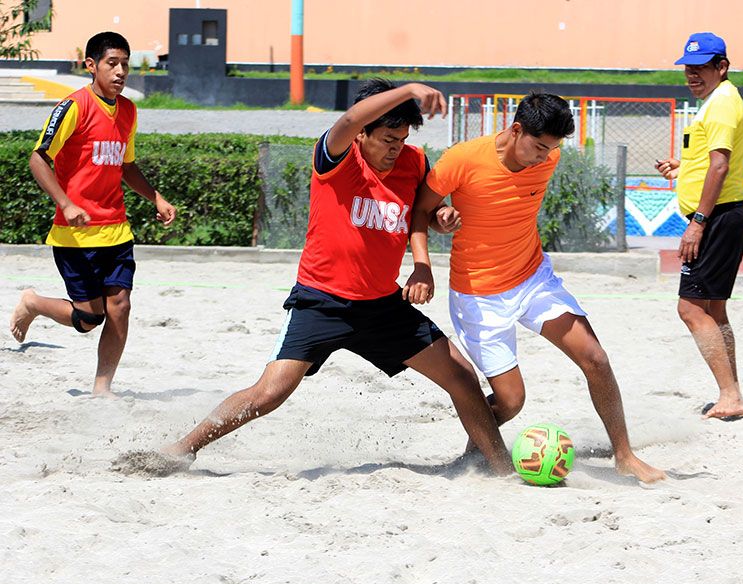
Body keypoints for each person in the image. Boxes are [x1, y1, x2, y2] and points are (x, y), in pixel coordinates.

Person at [159, 79, 512, 475]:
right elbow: (349, 117)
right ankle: (182, 449)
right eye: (388, 139)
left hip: (382, 307)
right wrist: (410, 88)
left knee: (462, 378)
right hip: (322, 301)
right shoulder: (337, 157)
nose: (396, 148)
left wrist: (439, 221)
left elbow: (421, 213)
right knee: (269, 393)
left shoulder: (413, 162)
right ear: (363, 133)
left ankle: (501, 470)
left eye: (403, 138)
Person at [406, 92, 666, 483]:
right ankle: (478, 451)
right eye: (540, 146)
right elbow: (421, 210)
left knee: (595, 357)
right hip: (478, 293)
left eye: (553, 148)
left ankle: (624, 455)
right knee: (511, 402)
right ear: (516, 129)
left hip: (533, 278)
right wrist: (424, 262)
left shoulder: (548, 157)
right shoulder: (461, 159)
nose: (546, 157)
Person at [9, 32, 177, 398]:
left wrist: (156, 197)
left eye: (125, 65)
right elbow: (38, 158)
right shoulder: (73, 107)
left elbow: (127, 166)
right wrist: (66, 204)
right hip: (74, 236)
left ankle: (103, 388)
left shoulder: (129, 111)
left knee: (121, 306)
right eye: (111, 63)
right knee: (89, 319)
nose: (120, 72)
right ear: (91, 65)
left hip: (116, 230)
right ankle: (33, 302)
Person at [655, 32, 743, 420]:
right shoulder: (717, 101)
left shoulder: (723, 103)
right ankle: (732, 393)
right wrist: (681, 168)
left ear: (721, 67)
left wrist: (697, 222)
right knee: (714, 309)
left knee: (690, 308)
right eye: (688, 68)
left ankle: (730, 395)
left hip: (717, 218)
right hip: (724, 214)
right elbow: (710, 161)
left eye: (701, 67)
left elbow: (721, 166)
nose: (692, 74)